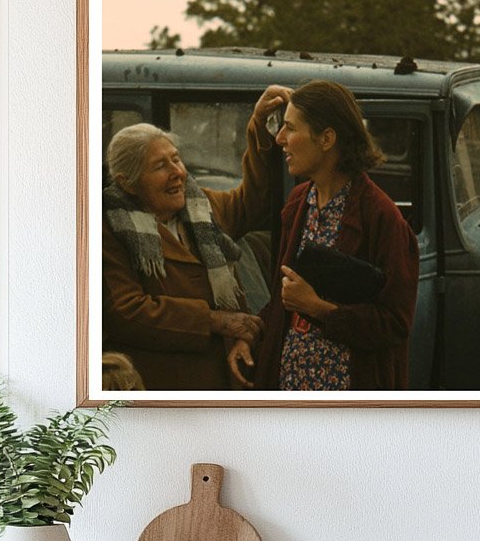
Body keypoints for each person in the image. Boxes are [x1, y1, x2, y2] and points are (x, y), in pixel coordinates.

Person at [228, 80, 419, 391]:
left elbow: (395, 324)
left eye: (290, 128)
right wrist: (249, 336)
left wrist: (319, 309)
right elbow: (282, 299)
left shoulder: (382, 218)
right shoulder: (298, 203)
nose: (280, 138)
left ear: (327, 138)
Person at [102, 87, 284, 390]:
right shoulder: (108, 228)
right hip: (165, 384)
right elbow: (126, 311)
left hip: (226, 376)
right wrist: (214, 320)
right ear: (128, 184)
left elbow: (252, 202)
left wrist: (260, 126)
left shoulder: (202, 207)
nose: (178, 173)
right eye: (160, 166)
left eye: (176, 159)